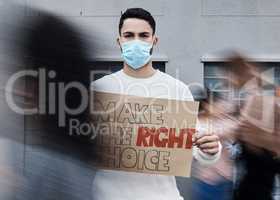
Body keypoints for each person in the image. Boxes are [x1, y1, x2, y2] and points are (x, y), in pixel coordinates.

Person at [91, 8, 222, 200]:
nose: (136, 41)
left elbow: (196, 148)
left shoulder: (177, 90)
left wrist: (211, 150)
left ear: (154, 40)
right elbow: (79, 148)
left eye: (143, 35)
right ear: (119, 41)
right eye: (129, 35)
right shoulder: (99, 90)